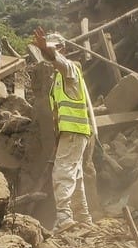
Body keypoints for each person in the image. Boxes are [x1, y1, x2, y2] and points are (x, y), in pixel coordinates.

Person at [31, 27, 96, 231]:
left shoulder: (69, 68)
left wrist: (48, 51)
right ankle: (84, 218)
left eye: (53, 49)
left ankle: (65, 218)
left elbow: (56, 59)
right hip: (73, 132)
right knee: (75, 175)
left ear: (63, 49)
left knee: (62, 173)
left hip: (75, 130)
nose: (48, 53)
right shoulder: (58, 78)